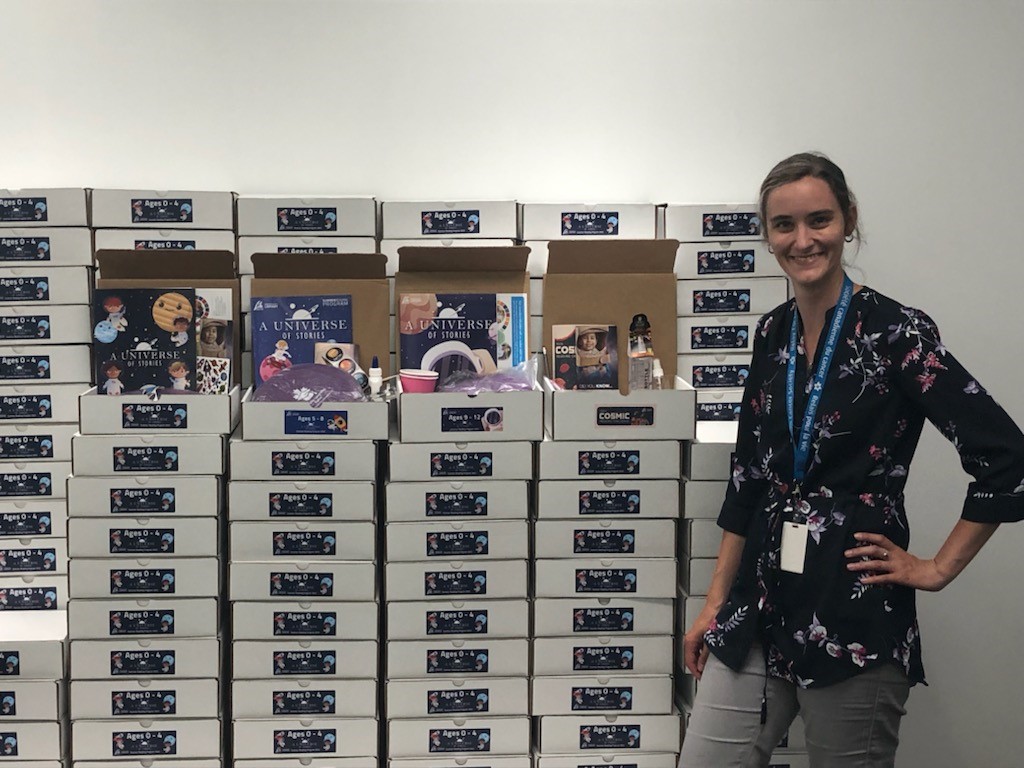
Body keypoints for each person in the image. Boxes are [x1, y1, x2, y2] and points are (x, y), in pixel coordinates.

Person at [679, 152, 1024, 768]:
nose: (803, 239)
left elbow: (1005, 456)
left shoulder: (898, 333)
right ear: (768, 235)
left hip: (852, 610)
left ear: (849, 221)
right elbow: (748, 476)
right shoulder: (771, 332)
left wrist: (937, 568)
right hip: (760, 600)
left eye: (819, 220)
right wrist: (713, 603)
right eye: (784, 225)